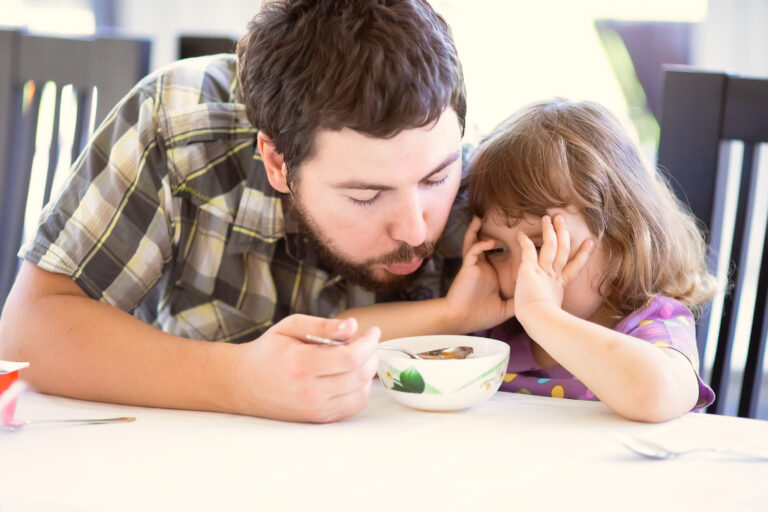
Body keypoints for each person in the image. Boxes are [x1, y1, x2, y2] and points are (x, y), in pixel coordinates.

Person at [0, 0, 470, 423]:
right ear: (277, 162)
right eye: (366, 195)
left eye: (436, 178)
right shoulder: (178, 124)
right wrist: (239, 378)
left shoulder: (486, 181)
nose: (414, 229)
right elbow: (26, 332)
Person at [344, 99, 718, 423]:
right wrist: (453, 315)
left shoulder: (652, 325)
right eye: (499, 250)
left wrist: (544, 317)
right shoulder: (499, 335)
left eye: (541, 245)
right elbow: (343, 342)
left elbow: (657, 395)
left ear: (622, 233)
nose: (521, 274)